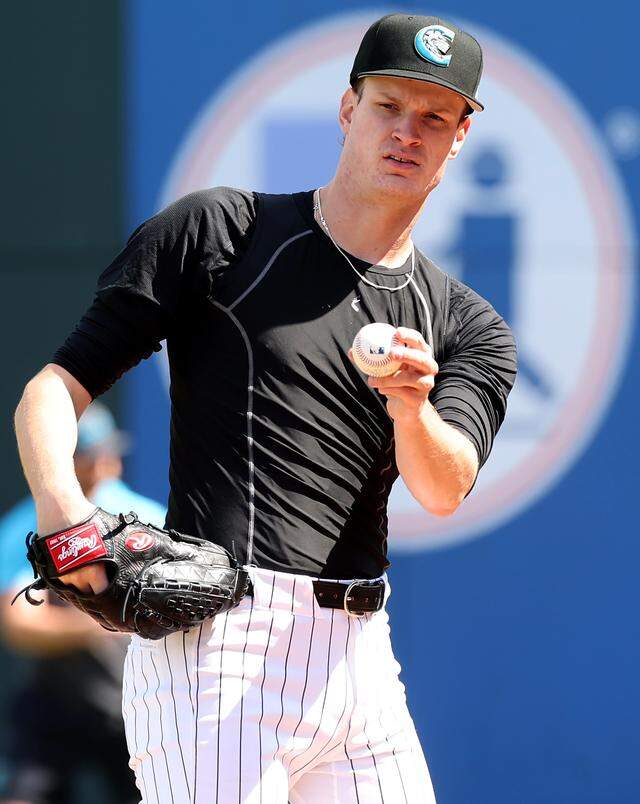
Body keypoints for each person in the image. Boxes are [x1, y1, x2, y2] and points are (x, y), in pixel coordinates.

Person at [13, 13, 517, 804]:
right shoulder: (222, 231)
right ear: (349, 109)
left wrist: (412, 407)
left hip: (360, 656)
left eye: (434, 118)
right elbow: (54, 389)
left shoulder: (466, 325)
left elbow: (443, 488)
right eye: (389, 106)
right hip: (219, 644)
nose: (406, 132)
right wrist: (66, 517)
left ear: (458, 141)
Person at [0, 402, 165, 804]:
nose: (107, 462)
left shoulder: (144, 518)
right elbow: (19, 625)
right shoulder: (28, 527)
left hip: (134, 701)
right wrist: (100, 621)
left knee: (160, 795)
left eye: (109, 450)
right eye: (92, 454)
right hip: (56, 701)